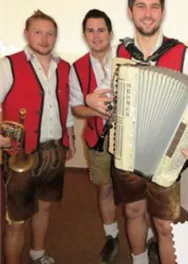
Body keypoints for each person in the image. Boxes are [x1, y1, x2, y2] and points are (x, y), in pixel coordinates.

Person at [85, 1, 188, 263]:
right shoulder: (120, 51)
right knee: (133, 212)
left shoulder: (182, 53)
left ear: (162, 12)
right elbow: (107, 89)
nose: (147, 14)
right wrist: (92, 99)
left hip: (167, 155)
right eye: (141, 6)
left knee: (165, 226)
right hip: (127, 153)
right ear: (131, 12)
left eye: (154, 6)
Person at [0, 10, 75, 264]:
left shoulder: (64, 67)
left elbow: (65, 106)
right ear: (26, 33)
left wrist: (70, 137)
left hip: (54, 151)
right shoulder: (8, 64)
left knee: (44, 207)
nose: (44, 39)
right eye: (38, 32)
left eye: (50, 33)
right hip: (20, 155)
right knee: (16, 220)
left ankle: (38, 253)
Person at [69, 9, 120, 263]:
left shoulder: (126, 58)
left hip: (129, 141)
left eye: (101, 30)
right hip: (96, 139)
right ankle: (111, 236)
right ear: (84, 34)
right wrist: (95, 109)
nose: (96, 35)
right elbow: (77, 108)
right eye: (90, 30)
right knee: (105, 189)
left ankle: (150, 238)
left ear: (110, 33)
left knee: (138, 193)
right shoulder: (76, 67)